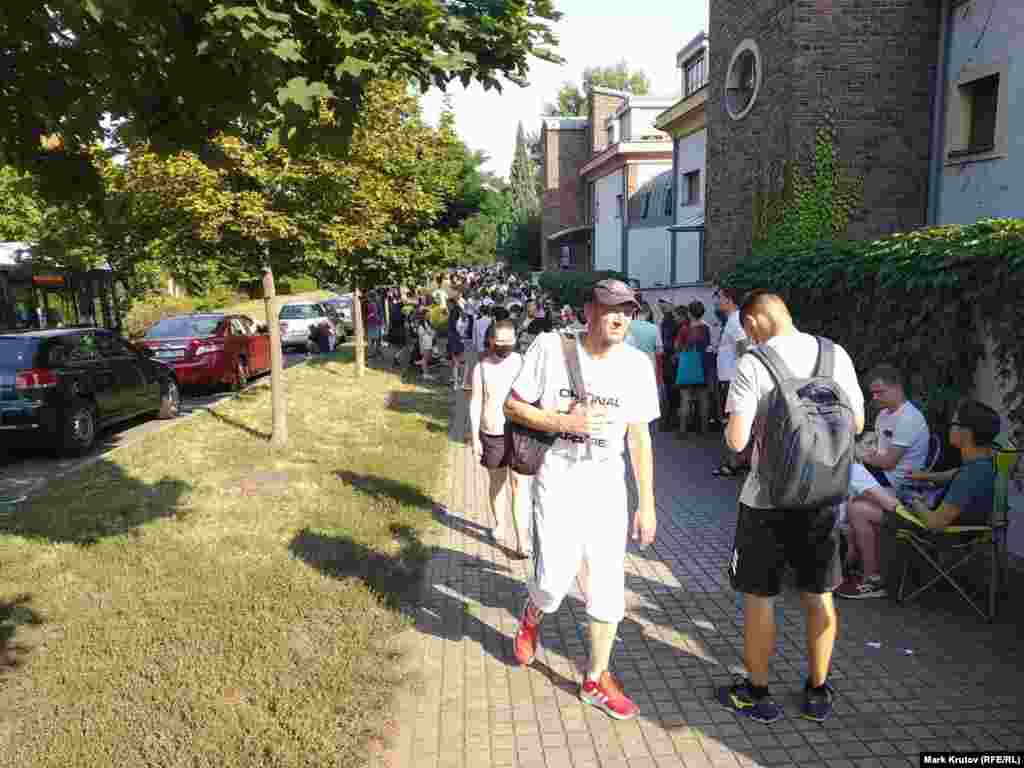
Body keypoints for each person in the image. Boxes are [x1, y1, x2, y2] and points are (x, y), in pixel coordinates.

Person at [504, 278, 660, 721]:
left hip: (607, 483)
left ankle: (596, 678)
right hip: (558, 478)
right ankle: (534, 612)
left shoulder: (636, 365)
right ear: (587, 310)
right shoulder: (551, 349)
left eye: (628, 311)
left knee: (608, 588)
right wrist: (561, 420)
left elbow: (641, 438)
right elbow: (513, 407)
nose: (620, 318)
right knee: (553, 581)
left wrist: (646, 502)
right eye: (611, 309)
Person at [720, 291, 864, 724]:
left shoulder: (753, 362)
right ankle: (817, 692)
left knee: (759, 597)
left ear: (753, 321)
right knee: (819, 596)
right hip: (822, 499)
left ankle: (757, 692)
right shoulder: (835, 354)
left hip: (766, 501)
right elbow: (856, 423)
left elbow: (736, 442)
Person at [838, 399, 1001, 599]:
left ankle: (873, 580)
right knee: (877, 501)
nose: (950, 428)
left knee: (859, 508)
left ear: (967, 433)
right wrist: (923, 476)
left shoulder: (971, 476)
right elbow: (954, 474)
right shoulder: (981, 464)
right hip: (958, 523)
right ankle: (870, 566)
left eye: (954, 424)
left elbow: (935, 523)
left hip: (943, 532)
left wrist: (914, 501)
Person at [470, 320, 530, 559]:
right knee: (498, 482)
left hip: (518, 432)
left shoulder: (522, 363)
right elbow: (475, 403)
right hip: (492, 432)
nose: (506, 346)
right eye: (501, 341)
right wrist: (475, 437)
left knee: (519, 485)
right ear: (491, 340)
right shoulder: (481, 367)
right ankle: (499, 523)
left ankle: (522, 541)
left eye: (510, 341)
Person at [858, 364, 930, 495]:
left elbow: (888, 463)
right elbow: (876, 449)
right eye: (873, 393)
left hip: (897, 482)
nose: (874, 397)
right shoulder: (883, 414)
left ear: (897, 388)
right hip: (881, 472)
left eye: (879, 392)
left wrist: (860, 455)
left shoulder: (909, 418)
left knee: (845, 477)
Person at [713, 287, 750, 477]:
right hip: (730, 377)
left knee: (732, 422)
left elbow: (744, 347)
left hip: (733, 379)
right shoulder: (734, 319)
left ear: (728, 300)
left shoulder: (735, 320)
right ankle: (741, 459)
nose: (717, 302)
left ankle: (734, 463)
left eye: (719, 298)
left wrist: (742, 372)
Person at [675, 300, 712, 435]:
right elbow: (708, 345)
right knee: (703, 399)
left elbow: (677, 347)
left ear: (689, 314)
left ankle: (683, 430)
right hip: (702, 365)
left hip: (687, 367)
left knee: (685, 398)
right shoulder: (706, 328)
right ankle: (704, 429)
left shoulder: (685, 329)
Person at [447, 297, 467, 390]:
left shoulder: (453, 313)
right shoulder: (461, 313)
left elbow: (454, 327)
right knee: (461, 362)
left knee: (455, 362)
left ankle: (456, 383)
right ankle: (461, 381)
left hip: (454, 339)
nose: (447, 306)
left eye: (448, 304)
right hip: (461, 340)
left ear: (452, 304)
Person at [416, 311, 437, 381]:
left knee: (427, 358)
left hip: (429, 343)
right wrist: (430, 333)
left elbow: (431, 332)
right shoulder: (421, 325)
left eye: (429, 314)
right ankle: (425, 374)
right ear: (423, 316)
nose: (429, 316)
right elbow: (421, 335)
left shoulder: (428, 323)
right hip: (425, 344)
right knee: (425, 359)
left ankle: (426, 373)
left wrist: (432, 333)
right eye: (427, 315)